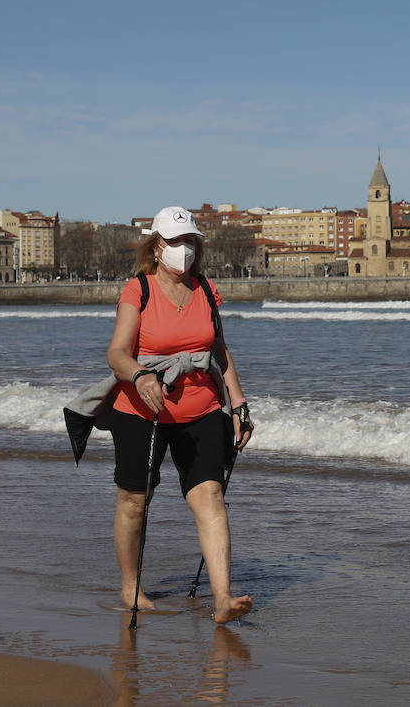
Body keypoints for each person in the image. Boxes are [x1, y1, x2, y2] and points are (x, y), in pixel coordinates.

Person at [105, 207, 255, 625]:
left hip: (202, 408)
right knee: (135, 501)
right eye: (174, 242)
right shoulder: (139, 290)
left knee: (210, 497)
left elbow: (219, 352)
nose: (183, 249)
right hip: (140, 410)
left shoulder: (206, 290)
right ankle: (130, 584)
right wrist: (140, 376)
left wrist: (239, 406)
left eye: (189, 241)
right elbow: (116, 353)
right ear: (156, 248)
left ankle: (222, 599)